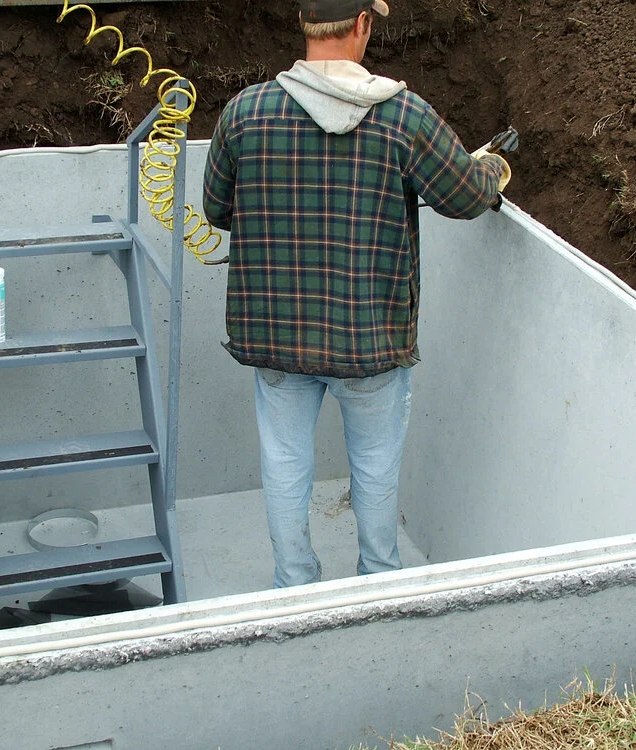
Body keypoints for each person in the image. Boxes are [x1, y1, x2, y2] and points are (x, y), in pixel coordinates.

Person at [202, 0, 509, 588]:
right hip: (369, 340)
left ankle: (295, 588)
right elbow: (467, 196)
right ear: (363, 25)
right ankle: (378, 584)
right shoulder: (402, 117)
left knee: (285, 465)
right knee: (375, 471)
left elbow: (218, 207)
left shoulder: (245, 113)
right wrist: (493, 170)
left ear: (302, 23)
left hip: (275, 338)